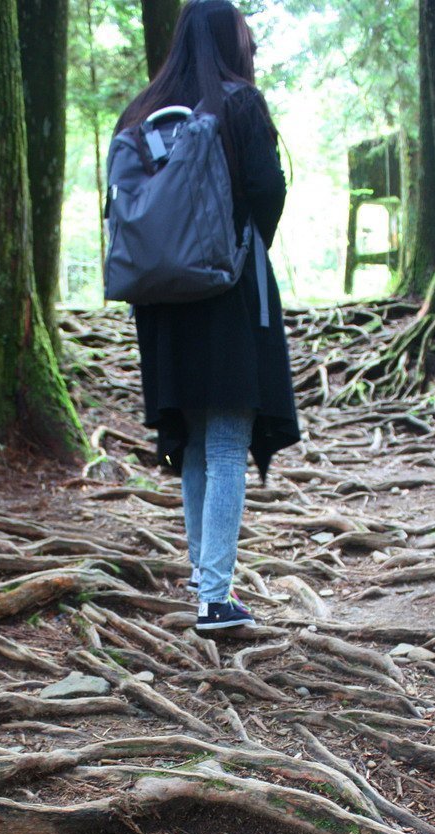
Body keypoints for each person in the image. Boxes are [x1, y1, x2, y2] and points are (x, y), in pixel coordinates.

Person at [114, 0, 299, 632]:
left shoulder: (140, 113)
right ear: (229, 40)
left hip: (162, 305)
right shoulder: (237, 104)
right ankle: (215, 597)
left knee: (195, 438)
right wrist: (239, 244)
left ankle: (204, 584)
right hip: (226, 288)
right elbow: (268, 190)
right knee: (225, 440)